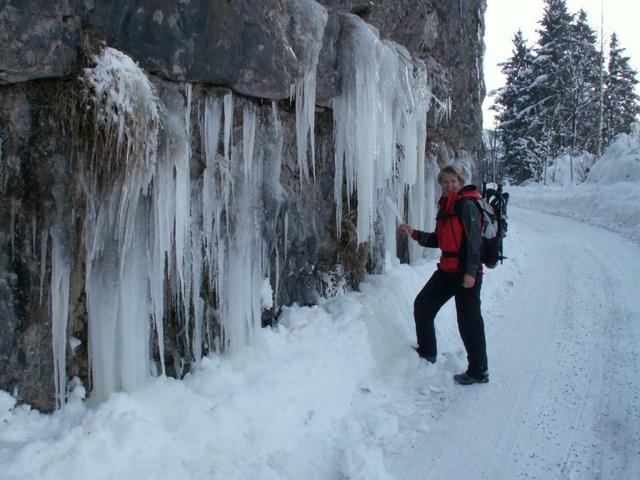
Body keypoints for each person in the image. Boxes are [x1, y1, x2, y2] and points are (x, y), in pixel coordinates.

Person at [399, 165, 489, 385]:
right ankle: (427, 351)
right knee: (423, 305)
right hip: (447, 269)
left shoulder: (466, 205)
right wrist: (414, 233)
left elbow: (475, 242)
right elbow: (439, 240)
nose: (449, 185)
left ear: (460, 182)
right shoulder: (445, 207)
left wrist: (470, 273)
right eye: (445, 182)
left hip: (465, 272)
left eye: (453, 181)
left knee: (469, 322)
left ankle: (479, 371)